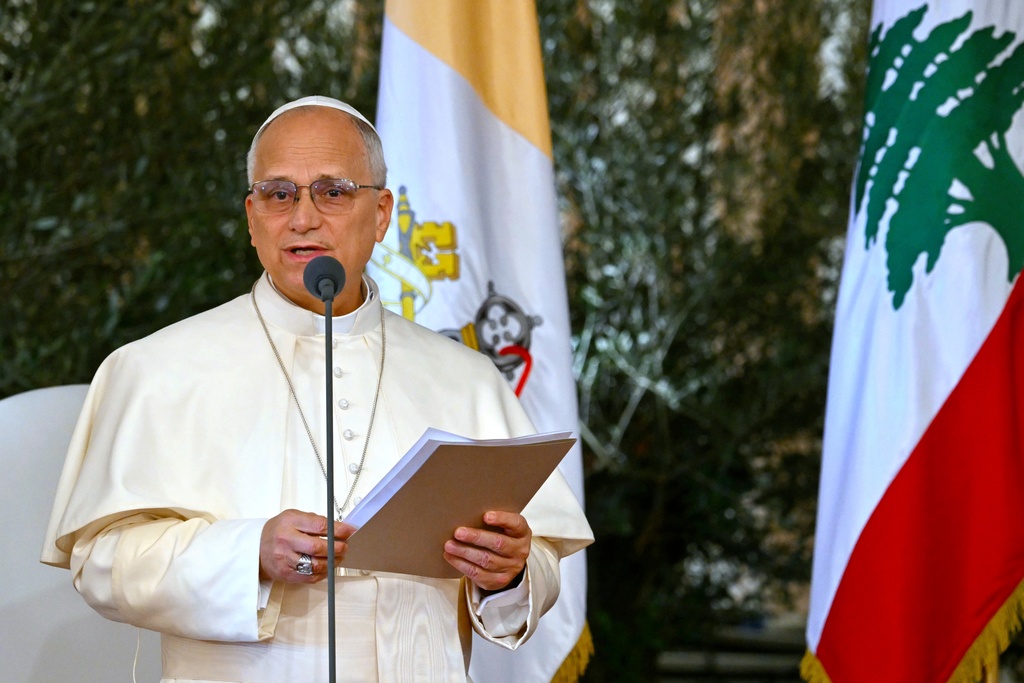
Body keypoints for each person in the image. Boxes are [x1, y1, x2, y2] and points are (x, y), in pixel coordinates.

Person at [40, 96, 593, 682]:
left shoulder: (466, 377)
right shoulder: (155, 368)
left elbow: (539, 557)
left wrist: (507, 571)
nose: (302, 218)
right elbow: (100, 562)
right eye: (279, 194)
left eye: (331, 191)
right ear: (252, 217)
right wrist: (250, 552)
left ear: (381, 213)